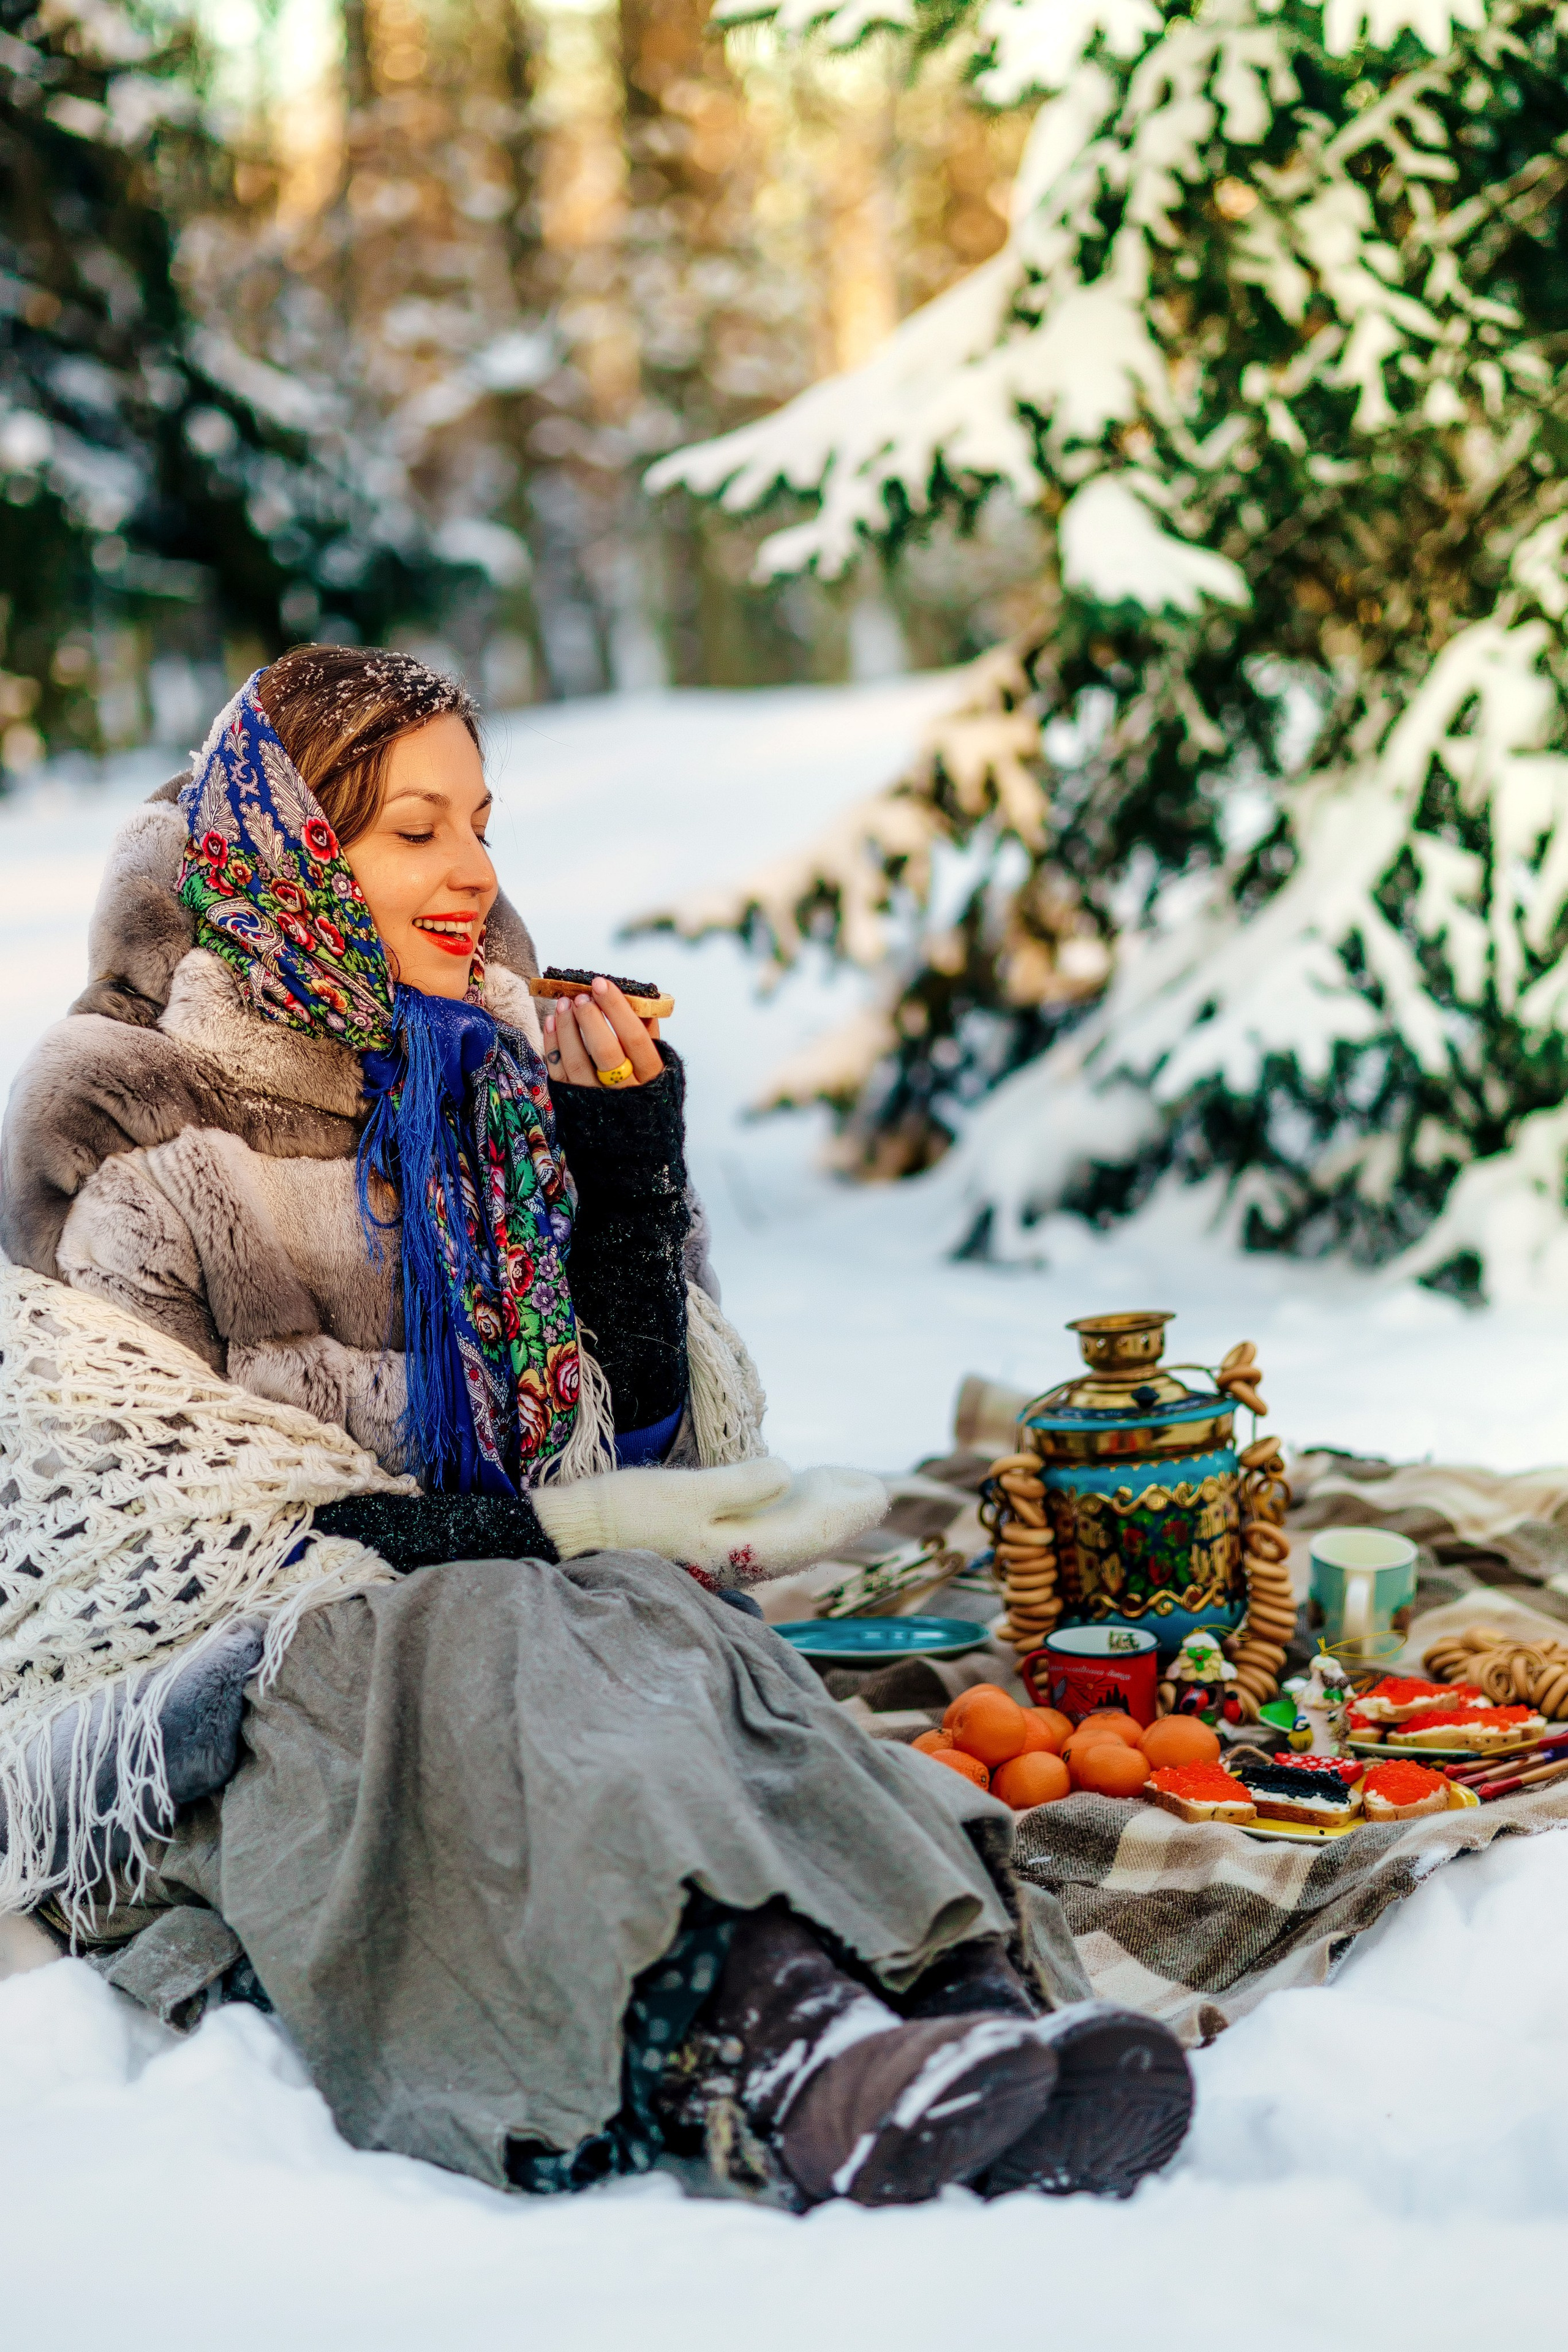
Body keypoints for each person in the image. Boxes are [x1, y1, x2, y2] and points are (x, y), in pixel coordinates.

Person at [0, 646, 1191, 2207]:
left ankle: (965, 1999)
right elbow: (147, 1544)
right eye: (415, 830)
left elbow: (649, 1471)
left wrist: (623, 1178)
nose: (474, 873)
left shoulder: (496, 1075)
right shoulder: (129, 1116)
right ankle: (784, 2049)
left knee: (670, 1626)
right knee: (501, 1617)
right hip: (251, 1698)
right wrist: (544, 1538)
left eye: (481, 825)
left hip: (517, 1626)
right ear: (290, 858)